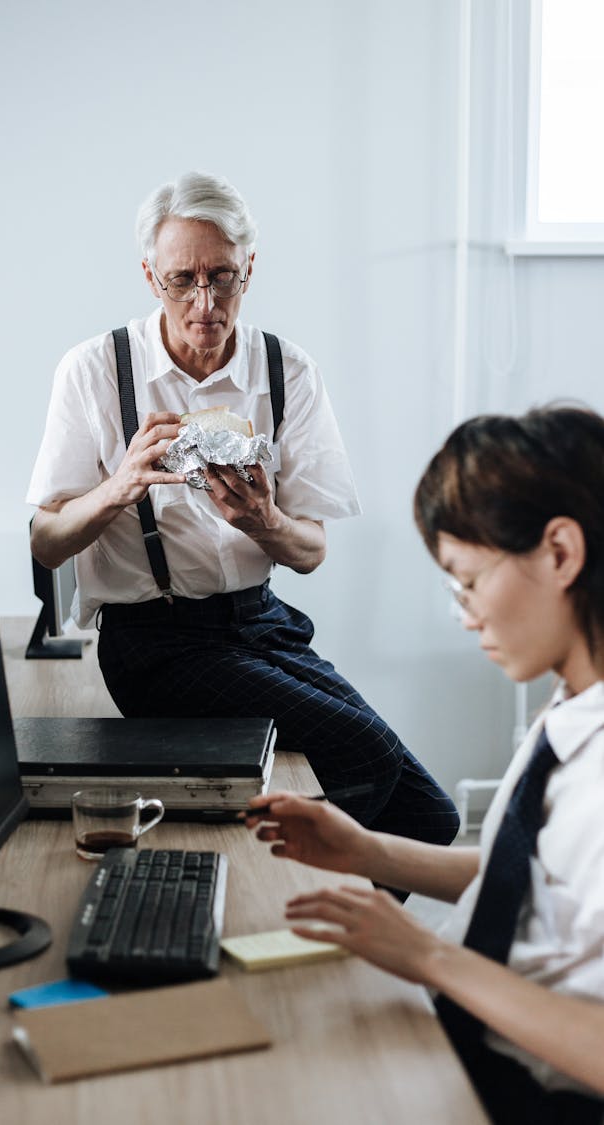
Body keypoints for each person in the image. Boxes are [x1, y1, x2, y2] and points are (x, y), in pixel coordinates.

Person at [27, 170, 458, 848]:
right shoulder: (95, 371)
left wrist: (265, 520)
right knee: (367, 750)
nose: (204, 300)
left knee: (434, 818)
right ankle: (293, 896)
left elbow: (311, 551)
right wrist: (119, 486)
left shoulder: (287, 373)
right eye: (183, 279)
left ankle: (324, 921)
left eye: (222, 276)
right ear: (150, 276)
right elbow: (47, 541)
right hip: (156, 643)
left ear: (249, 270)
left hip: (263, 622)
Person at [247, 404, 604, 1124]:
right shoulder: (572, 707)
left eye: (468, 580)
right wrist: (370, 851)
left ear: (561, 553)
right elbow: (544, 878)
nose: (464, 613)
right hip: (466, 1035)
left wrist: (426, 956)